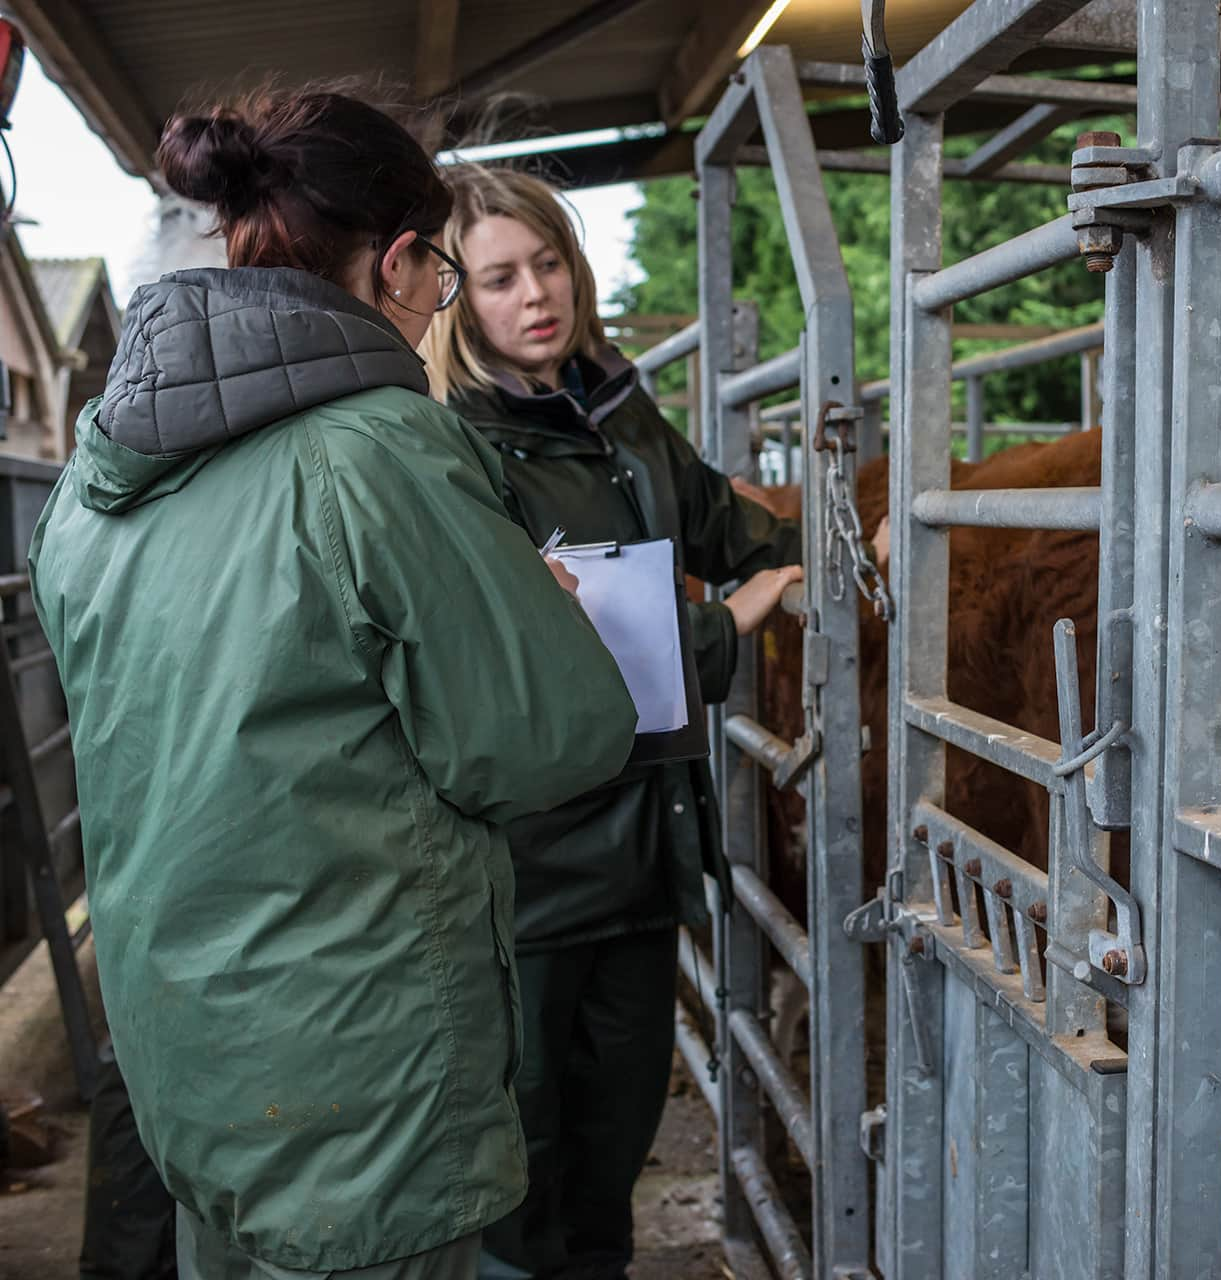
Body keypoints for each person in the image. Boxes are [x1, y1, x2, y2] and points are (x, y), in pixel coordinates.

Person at [30, 89, 642, 1278]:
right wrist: (541, 622)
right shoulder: (376, 449)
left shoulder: (95, 485)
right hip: (359, 1077)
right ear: (404, 263)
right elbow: (547, 740)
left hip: (193, 1061)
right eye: (450, 284)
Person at [423, 166, 873, 1279]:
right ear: (454, 299)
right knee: (519, 1171)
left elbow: (732, 528)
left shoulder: (618, 419)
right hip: (524, 878)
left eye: (550, 263)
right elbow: (529, 669)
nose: (538, 293)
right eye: (499, 277)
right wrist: (726, 631)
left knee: (610, 1159)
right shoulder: (451, 452)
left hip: (637, 855)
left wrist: (815, 559)